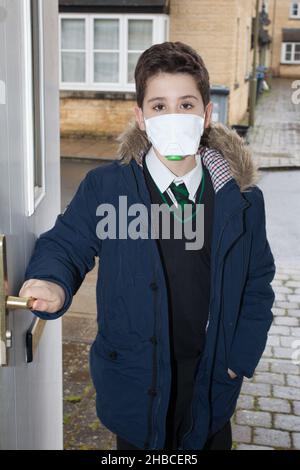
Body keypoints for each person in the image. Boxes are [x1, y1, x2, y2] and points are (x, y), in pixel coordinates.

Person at [19, 41, 276, 451]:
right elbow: (67, 242)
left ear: (207, 114)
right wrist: (51, 281)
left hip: (210, 378)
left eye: (186, 104)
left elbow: (258, 283)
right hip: (135, 378)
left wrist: (237, 360)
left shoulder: (241, 199)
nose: (173, 116)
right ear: (140, 117)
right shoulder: (108, 187)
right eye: (159, 106)